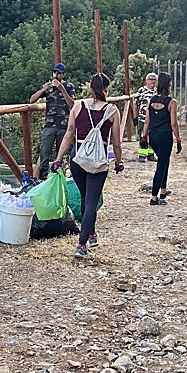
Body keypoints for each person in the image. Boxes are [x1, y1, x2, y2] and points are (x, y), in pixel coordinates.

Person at [52, 73, 123, 258]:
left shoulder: (78, 106)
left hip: (79, 157)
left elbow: (69, 135)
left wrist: (59, 159)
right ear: (106, 89)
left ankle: (90, 233)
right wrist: (118, 161)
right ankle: (82, 244)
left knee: (85, 196)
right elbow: (116, 143)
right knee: (91, 200)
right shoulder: (112, 111)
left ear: (90, 88)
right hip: (98, 160)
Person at [29, 62, 75, 177]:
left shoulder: (69, 86)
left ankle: (59, 177)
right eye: (55, 72)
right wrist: (43, 90)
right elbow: (32, 100)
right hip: (49, 125)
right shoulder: (48, 87)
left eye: (59, 73)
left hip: (63, 125)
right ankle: (43, 178)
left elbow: (72, 104)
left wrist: (62, 89)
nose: (56, 75)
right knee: (44, 152)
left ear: (63, 75)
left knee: (61, 154)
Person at [145, 72, 181, 205]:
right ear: (169, 84)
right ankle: (154, 197)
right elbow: (174, 123)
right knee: (162, 164)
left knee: (164, 161)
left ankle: (163, 190)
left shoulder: (151, 100)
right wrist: (178, 139)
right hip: (165, 135)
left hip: (153, 136)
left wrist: (144, 137)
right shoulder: (172, 102)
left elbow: (147, 120)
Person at [133, 72, 158, 162]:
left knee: (153, 137)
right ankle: (142, 155)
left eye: (154, 79)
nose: (153, 81)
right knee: (143, 136)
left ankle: (150, 154)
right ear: (146, 81)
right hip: (142, 118)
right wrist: (135, 117)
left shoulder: (157, 91)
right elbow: (135, 104)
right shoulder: (141, 91)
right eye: (151, 79)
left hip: (154, 119)